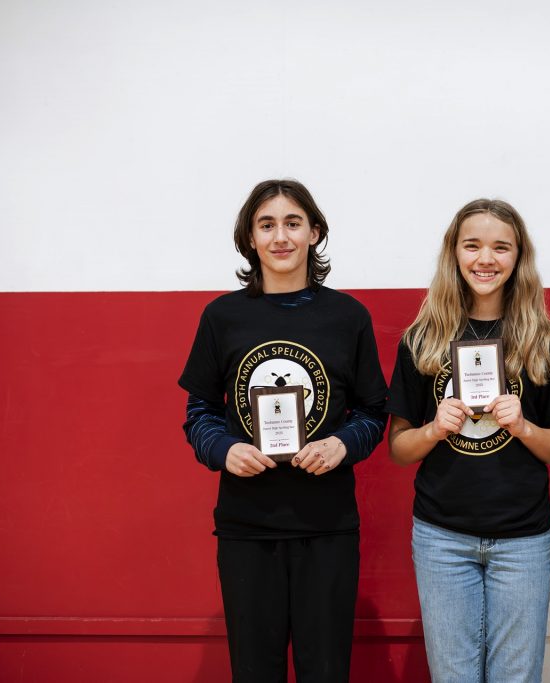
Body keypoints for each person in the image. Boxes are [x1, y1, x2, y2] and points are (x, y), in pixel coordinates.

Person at [178, 179, 388, 682]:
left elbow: (374, 413)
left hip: (327, 526)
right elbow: (199, 411)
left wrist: (341, 443)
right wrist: (224, 449)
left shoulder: (348, 316)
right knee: (255, 672)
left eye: (293, 223)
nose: (281, 236)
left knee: (326, 671)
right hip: (247, 527)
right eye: (266, 225)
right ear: (250, 238)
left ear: (314, 232)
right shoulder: (222, 317)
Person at [385, 199, 550, 683]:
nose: (485, 259)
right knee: (454, 676)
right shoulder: (422, 338)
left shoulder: (545, 340)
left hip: (523, 541)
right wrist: (434, 427)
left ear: (519, 258)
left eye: (501, 247)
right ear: (454, 253)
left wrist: (523, 426)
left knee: (516, 676)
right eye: (472, 245)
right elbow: (398, 448)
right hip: (441, 539)